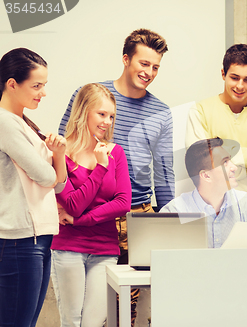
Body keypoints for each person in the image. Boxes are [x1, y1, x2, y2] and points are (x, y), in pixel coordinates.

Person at [58, 28, 171, 325]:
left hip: (137, 214)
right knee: (94, 312)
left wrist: (170, 220)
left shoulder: (161, 111)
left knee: (134, 308)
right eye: (144, 64)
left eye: (155, 67)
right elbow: (63, 148)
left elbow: (164, 174)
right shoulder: (93, 96)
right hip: (85, 209)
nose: (149, 72)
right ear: (126, 59)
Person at [51, 83, 132, 326]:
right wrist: (100, 167)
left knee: (93, 323)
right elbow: (74, 204)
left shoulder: (116, 152)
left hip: (105, 249)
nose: (107, 122)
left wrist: (80, 220)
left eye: (111, 116)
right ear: (84, 111)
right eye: (102, 114)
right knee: (72, 322)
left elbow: (123, 203)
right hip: (67, 248)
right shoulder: (60, 153)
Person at [0, 48, 67, 327]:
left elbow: (60, 184)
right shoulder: (4, 122)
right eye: (36, 86)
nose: (43, 93)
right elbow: (45, 176)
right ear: (12, 84)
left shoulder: (25, 124)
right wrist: (53, 166)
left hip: (38, 237)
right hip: (18, 240)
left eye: (44, 85)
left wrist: (59, 155)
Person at [185, 44, 247, 214]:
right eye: (235, 77)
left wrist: (222, 155)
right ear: (223, 74)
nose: (240, 86)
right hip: (214, 211)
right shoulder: (200, 111)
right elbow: (199, 160)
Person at [161, 138, 247, 248]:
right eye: (225, 162)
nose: (234, 167)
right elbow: (160, 259)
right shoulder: (174, 212)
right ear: (206, 175)